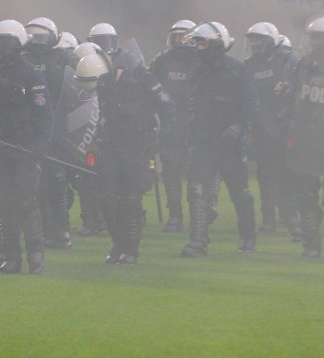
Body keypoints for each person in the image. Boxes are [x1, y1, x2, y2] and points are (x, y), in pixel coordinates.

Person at [76, 49, 174, 264]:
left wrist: (161, 137)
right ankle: (118, 242)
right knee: (106, 198)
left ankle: (130, 249)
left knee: (130, 198)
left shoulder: (142, 79)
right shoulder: (104, 84)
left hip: (137, 146)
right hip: (110, 146)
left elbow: (166, 104)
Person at [0, 20, 53, 274]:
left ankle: (36, 254)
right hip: (1, 149)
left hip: (26, 150)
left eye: (2, 42)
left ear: (16, 44)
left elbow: (44, 115)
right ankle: (11, 257)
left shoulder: (32, 75)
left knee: (24, 201)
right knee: (4, 203)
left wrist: (41, 144)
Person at [181, 22, 257, 257]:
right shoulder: (195, 73)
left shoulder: (238, 70)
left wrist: (238, 126)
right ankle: (198, 241)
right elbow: (191, 106)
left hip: (229, 142)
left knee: (239, 192)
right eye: (196, 43)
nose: (198, 48)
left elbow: (251, 104)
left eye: (202, 43)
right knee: (196, 190)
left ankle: (247, 237)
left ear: (216, 45)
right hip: (203, 140)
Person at [24, 17, 78, 249]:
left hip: (56, 127)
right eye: (32, 35)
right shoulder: (22, 60)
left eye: (40, 35)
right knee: (36, 184)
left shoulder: (63, 58)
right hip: (28, 128)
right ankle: (46, 231)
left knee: (56, 180)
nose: (35, 40)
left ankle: (62, 231)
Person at [243, 23, 300, 239]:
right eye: (252, 40)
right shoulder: (248, 65)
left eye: (259, 39)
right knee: (265, 175)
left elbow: (295, 90)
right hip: (260, 127)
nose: (255, 44)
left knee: (287, 173)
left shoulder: (288, 61)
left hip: (285, 125)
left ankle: (291, 219)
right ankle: (268, 220)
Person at [281, 16, 324, 258]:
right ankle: (311, 244)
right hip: (306, 139)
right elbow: (293, 101)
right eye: (313, 38)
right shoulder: (302, 66)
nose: (315, 43)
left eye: (320, 38)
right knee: (306, 194)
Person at [149, 20, 197, 233]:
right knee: (170, 171)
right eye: (176, 37)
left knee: (198, 172)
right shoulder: (162, 60)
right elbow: (148, 86)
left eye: (183, 37)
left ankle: (201, 213)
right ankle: (175, 215)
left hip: (196, 124)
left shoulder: (202, 61)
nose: (179, 41)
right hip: (169, 125)